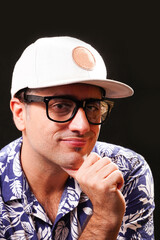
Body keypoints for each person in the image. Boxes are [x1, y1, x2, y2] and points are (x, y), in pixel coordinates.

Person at [0, 36, 154, 240]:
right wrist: (105, 217)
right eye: (60, 106)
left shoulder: (127, 170)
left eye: (92, 107)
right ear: (20, 114)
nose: (82, 126)